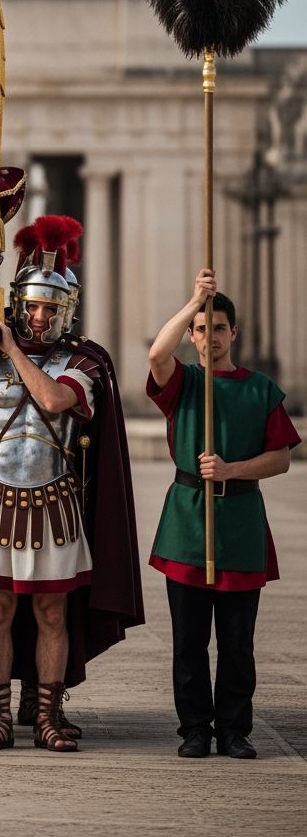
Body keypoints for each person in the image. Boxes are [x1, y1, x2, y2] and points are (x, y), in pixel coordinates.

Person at [0, 216, 143, 752]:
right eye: (33, 307)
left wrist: (14, 351)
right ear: (17, 304)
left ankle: (46, 716)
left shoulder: (82, 361)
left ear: (66, 310)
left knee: (51, 612)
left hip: (55, 505)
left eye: (50, 308)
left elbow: (55, 400)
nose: (40, 318)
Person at [147, 269, 300, 760]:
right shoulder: (184, 382)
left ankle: (234, 729)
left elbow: (281, 458)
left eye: (218, 328)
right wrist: (195, 300)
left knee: (237, 642)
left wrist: (232, 468)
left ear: (233, 332)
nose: (209, 336)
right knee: (189, 641)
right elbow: (156, 355)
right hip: (187, 519)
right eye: (201, 328)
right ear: (191, 334)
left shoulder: (260, 389)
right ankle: (195, 728)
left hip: (239, 521)